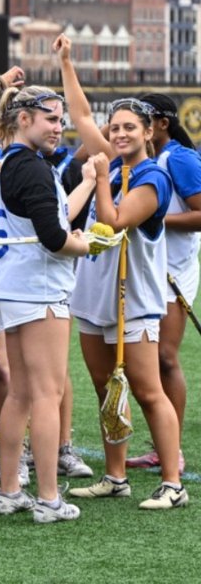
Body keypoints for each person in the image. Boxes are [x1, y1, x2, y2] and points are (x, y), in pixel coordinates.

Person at [56, 36, 187, 510]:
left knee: (149, 392)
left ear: (149, 131)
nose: (119, 135)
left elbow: (113, 220)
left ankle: (172, 482)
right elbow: (82, 117)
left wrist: (96, 178)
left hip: (133, 300)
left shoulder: (153, 177)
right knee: (106, 387)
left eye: (130, 127)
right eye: (116, 128)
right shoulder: (110, 163)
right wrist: (67, 64)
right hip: (95, 296)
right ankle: (116, 476)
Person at [0, 84, 93, 523]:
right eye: (51, 117)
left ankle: (10, 490)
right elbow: (54, 237)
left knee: (23, 394)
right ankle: (48, 497)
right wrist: (86, 246)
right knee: (47, 393)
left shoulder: (13, 161)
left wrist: (85, 185)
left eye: (61, 118)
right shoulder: (29, 167)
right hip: (39, 290)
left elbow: (55, 216)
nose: (58, 126)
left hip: (13, 288)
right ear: (23, 118)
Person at [124, 93, 201, 473]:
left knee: (164, 358)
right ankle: (160, 445)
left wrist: (150, 218)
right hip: (152, 268)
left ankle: (171, 451)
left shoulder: (178, 158)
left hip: (175, 268)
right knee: (148, 360)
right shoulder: (148, 160)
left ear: (161, 124)